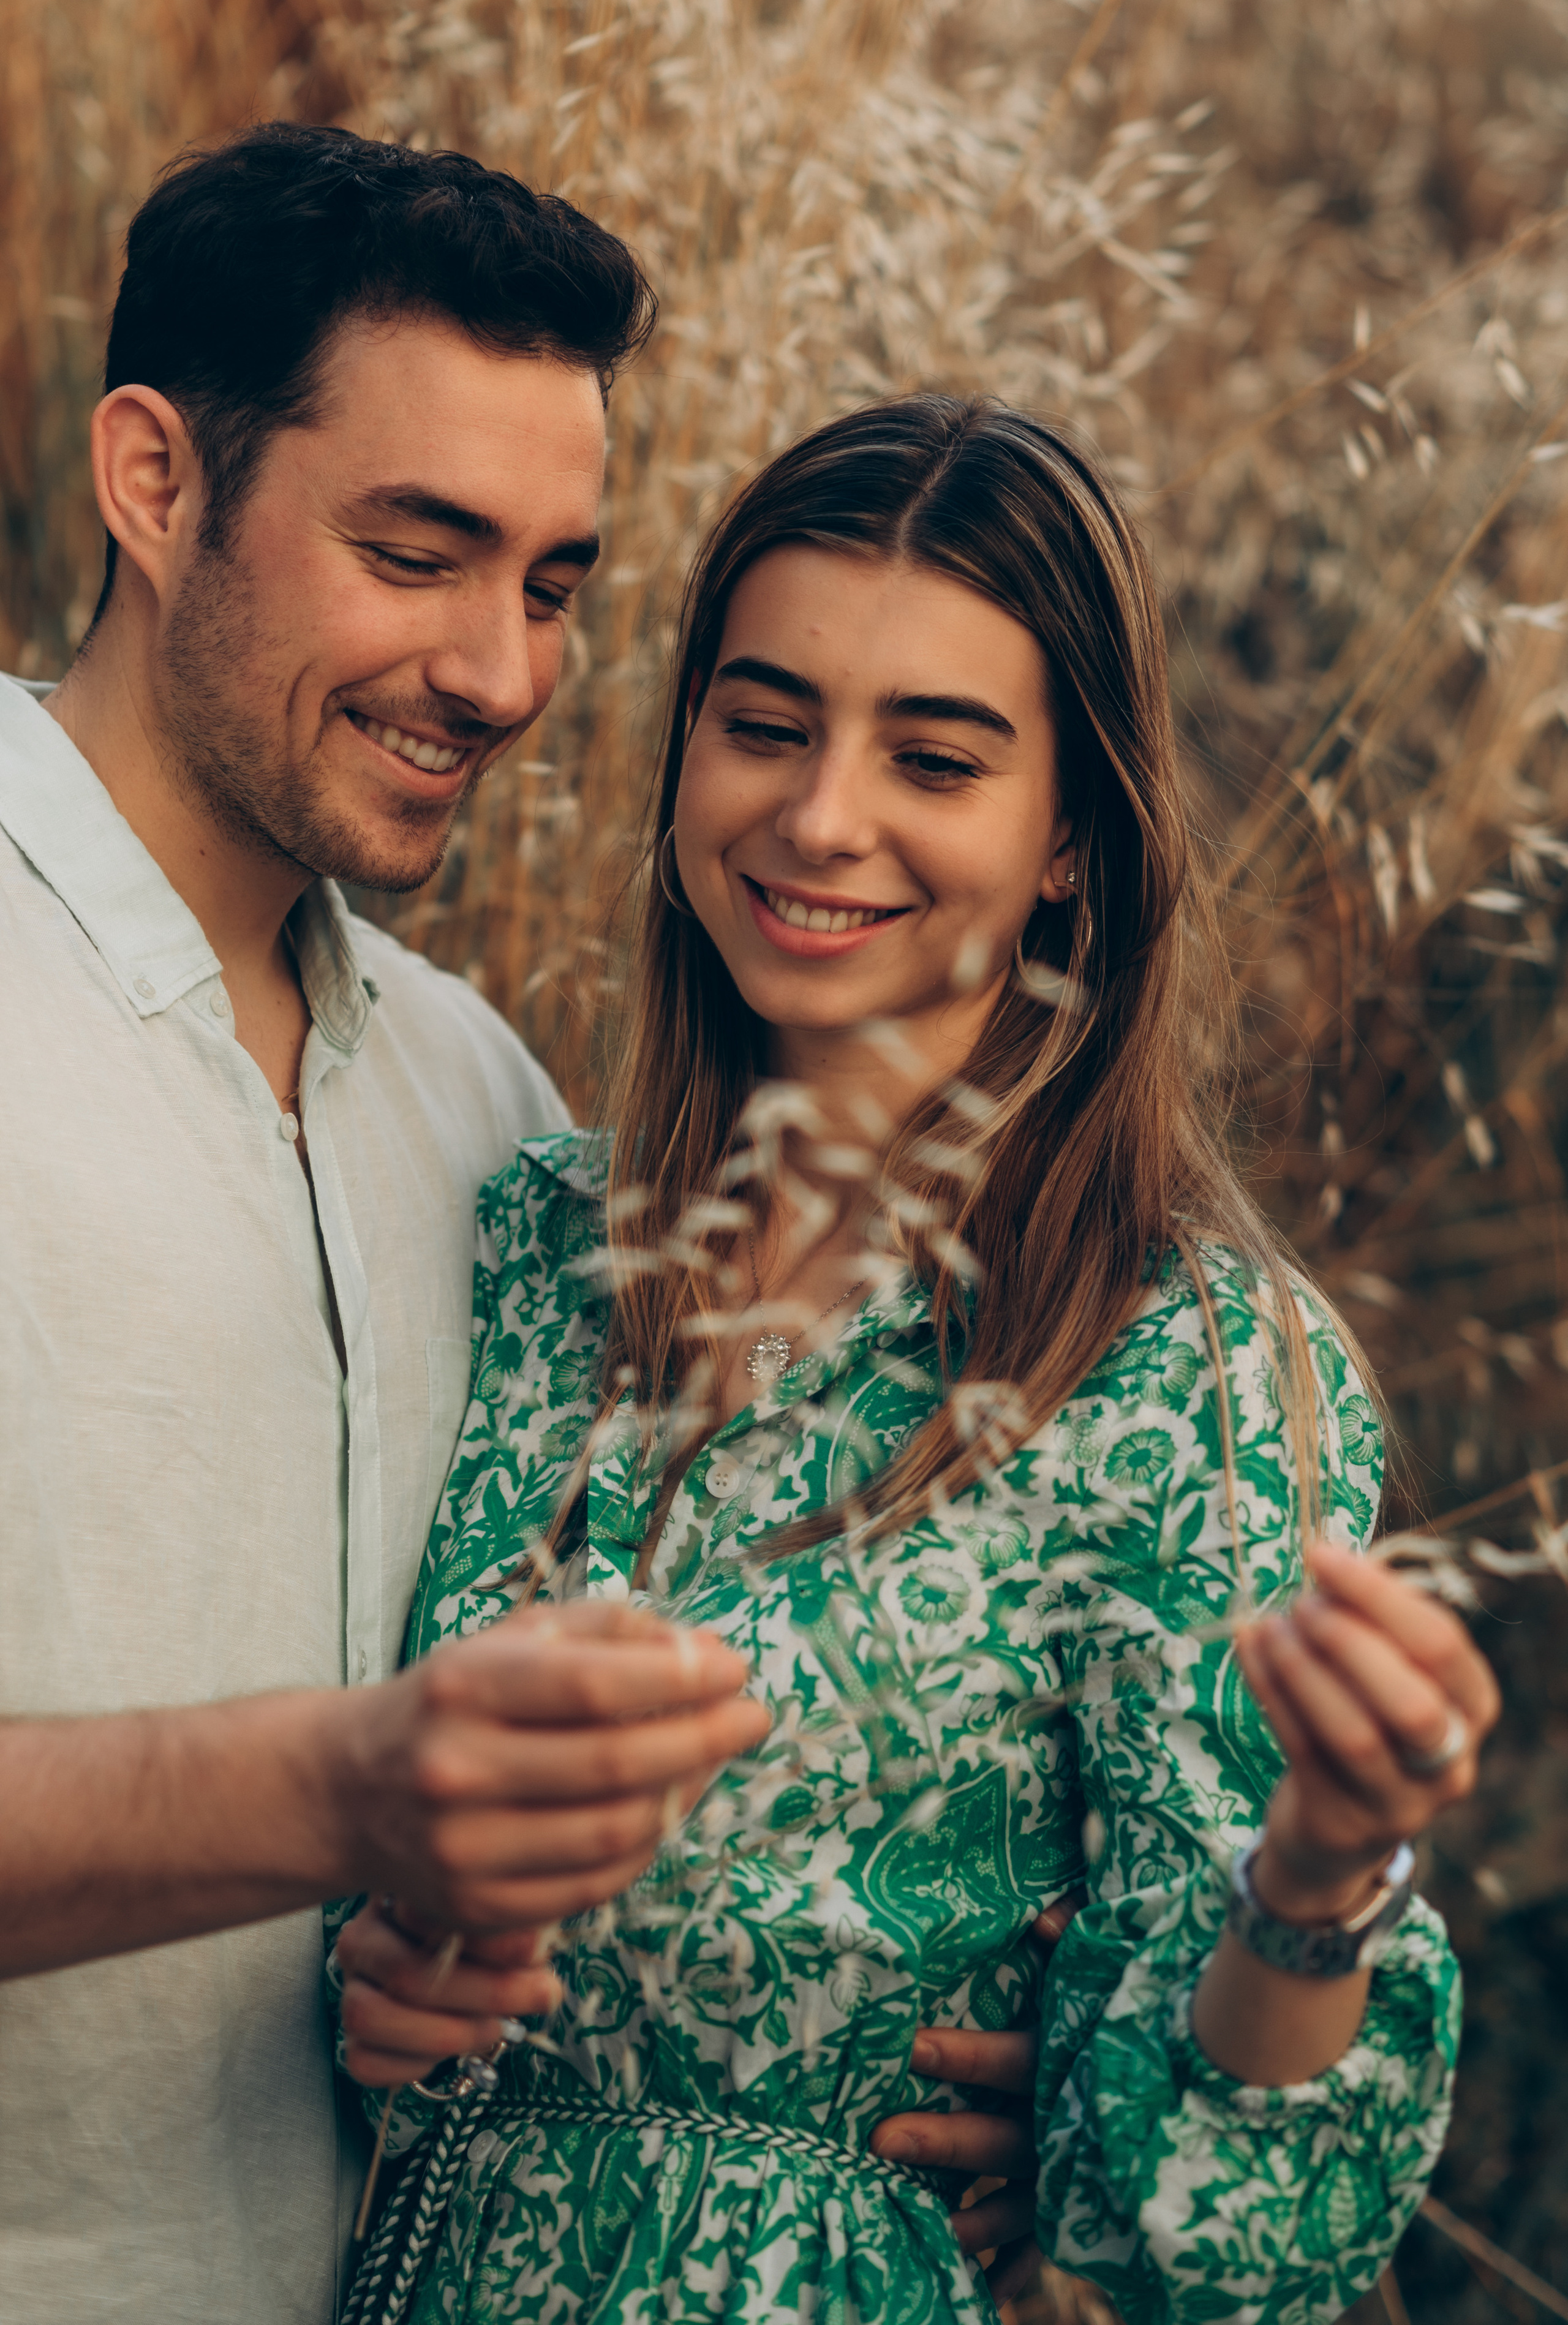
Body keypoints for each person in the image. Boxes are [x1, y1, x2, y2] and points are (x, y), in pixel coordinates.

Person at [336, 394, 1498, 2325]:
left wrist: (1325, 1868)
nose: (818, 816)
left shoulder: (1178, 1360)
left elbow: (1221, 2229)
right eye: (766, 723)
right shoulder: (526, 1234)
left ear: (1069, 840)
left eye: (934, 758)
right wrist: (369, 1969)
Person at [0, 124, 771, 2325]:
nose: (507, 672)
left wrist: (925, 2082)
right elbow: (385, 1788)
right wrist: (342, 1786)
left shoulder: (483, 1108)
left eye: (550, 581)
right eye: (418, 552)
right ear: (155, 483)